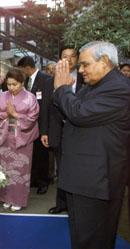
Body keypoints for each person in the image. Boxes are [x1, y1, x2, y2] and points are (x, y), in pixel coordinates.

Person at [53, 41, 130, 249]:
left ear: (104, 61)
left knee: (92, 241)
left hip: (96, 182)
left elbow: (78, 114)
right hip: (84, 179)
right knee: (86, 238)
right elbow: (70, 112)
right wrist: (63, 92)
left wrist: (62, 88)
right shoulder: (96, 86)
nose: (80, 70)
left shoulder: (119, 89)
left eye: (85, 64)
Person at [0, 68, 39, 211]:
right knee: (5, 167)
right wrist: (7, 113)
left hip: (23, 138)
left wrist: (15, 114)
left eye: (15, 84)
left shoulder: (30, 98)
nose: (11, 88)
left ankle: (18, 199)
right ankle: (6, 197)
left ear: (22, 83)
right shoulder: (2, 96)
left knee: (21, 169)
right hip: (6, 136)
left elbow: (32, 117)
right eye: (9, 84)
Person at [46, 47, 84, 214]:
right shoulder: (51, 80)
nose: (68, 60)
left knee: (80, 168)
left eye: (72, 56)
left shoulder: (87, 78)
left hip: (81, 131)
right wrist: (44, 132)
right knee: (62, 169)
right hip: (59, 130)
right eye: (65, 57)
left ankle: (78, 206)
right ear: (60, 59)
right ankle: (62, 204)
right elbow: (46, 108)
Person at [17, 56, 53, 194]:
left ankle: (43, 182)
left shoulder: (46, 79)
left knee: (42, 155)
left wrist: (45, 129)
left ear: (27, 67)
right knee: (33, 154)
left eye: (21, 69)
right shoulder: (26, 81)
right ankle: (34, 180)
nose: (22, 72)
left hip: (41, 123)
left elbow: (46, 105)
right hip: (28, 125)